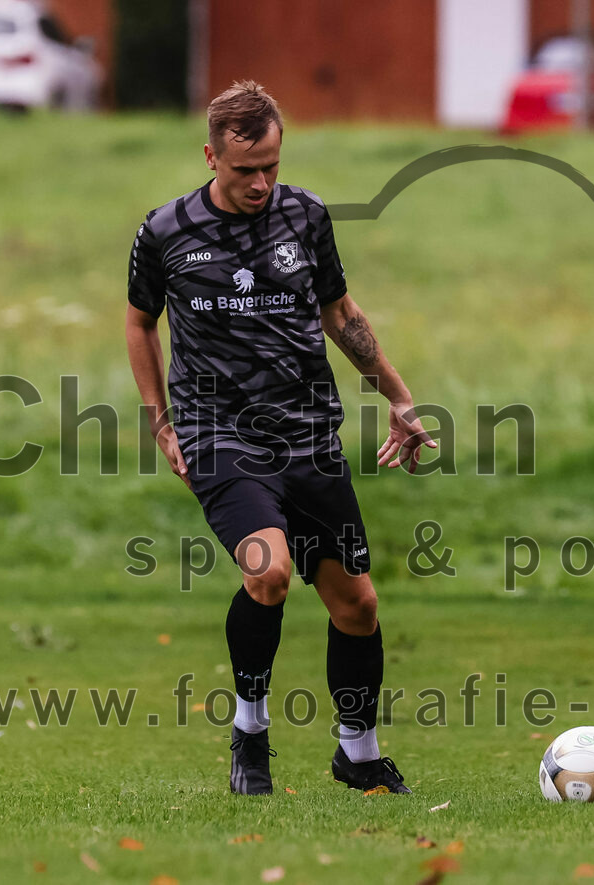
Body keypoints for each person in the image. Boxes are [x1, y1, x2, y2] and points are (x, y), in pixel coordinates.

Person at [126, 81, 434, 796]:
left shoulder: (307, 215)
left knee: (357, 605)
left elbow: (341, 313)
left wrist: (397, 395)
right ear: (210, 156)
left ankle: (358, 753)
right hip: (218, 433)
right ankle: (251, 730)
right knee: (266, 572)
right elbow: (140, 322)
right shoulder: (165, 231)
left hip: (308, 433)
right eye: (244, 170)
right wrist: (160, 419)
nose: (262, 181)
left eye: (271, 164)